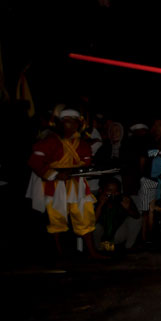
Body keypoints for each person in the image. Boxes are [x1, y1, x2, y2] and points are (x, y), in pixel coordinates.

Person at [27, 109, 105, 258]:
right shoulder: (49, 141)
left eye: (73, 121)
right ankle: (59, 255)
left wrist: (81, 170)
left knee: (85, 217)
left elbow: (86, 162)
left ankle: (92, 253)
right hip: (55, 186)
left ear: (78, 123)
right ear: (60, 123)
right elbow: (34, 162)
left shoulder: (82, 144)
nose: (70, 124)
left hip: (77, 185)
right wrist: (55, 174)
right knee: (57, 220)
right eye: (66, 121)